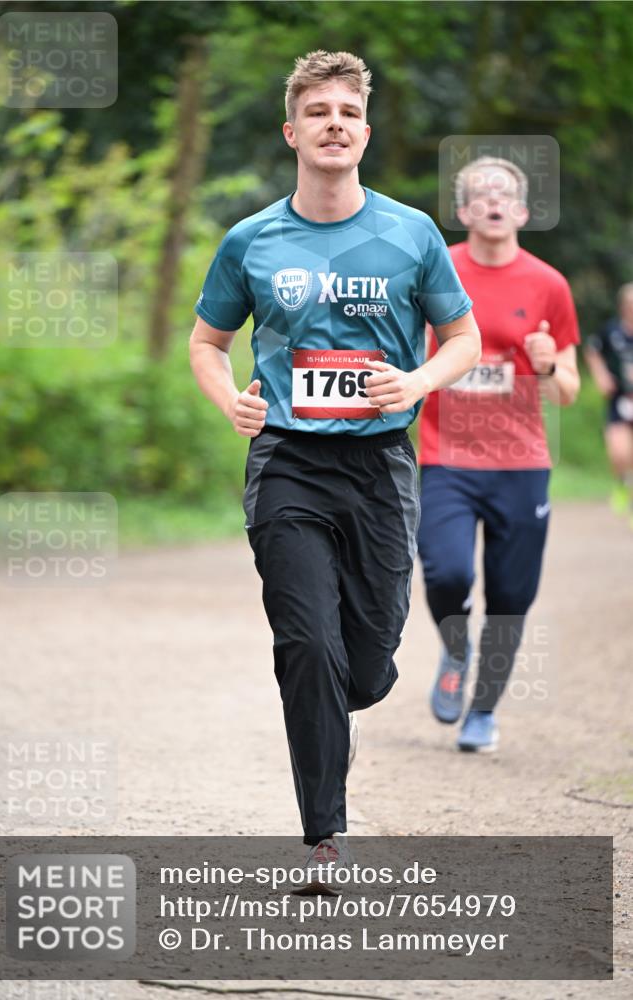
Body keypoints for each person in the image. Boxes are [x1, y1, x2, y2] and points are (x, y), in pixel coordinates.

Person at [189, 50, 480, 886]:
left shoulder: (409, 233)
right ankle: (325, 836)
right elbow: (206, 344)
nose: (333, 126)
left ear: (365, 132)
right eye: (317, 113)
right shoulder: (251, 239)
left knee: (364, 662)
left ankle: (333, 691)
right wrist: (229, 402)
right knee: (306, 644)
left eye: (346, 113)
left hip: (381, 464)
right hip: (287, 461)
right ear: (293, 131)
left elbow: (462, 339)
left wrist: (417, 379)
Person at [418, 156, 581, 753]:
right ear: (463, 212)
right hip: (445, 455)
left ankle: (483, 710)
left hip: (521, 462)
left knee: (511, 597)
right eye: (479, 193)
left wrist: (544, 364)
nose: (492, 200)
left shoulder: (548, 284)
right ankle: (455, 648)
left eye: (504, 193)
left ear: (521, 211)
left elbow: (569, 388)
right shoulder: (437, 272)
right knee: (447, 573)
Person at [584, 282, 633, 517]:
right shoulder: (611, 331)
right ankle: (622, 485)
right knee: (619, 452)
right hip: (619, 401)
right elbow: (592, 350)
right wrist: (601, 375)